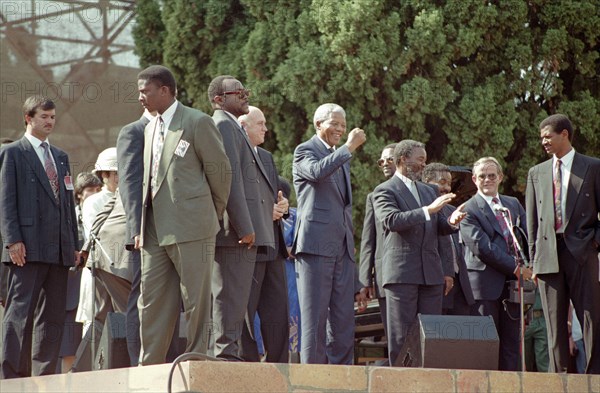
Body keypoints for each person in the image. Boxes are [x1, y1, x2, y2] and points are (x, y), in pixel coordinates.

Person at [137, 65, 231, 365]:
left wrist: (208, 216)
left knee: (196, 302)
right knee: (150, 302)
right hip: (153, 228)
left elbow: (221, 173)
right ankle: (148, 366)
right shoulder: (149, 127)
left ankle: (197, 362)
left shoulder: (197, 121)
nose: (140, 97)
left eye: (145, 91)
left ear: (164, 90)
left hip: (193, 227)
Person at [0, 96, 79, 378]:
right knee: (19, 315)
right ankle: (12, 377)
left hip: (58, 251)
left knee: (52, 317)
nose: (49, 122)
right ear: (28, 119)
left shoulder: (60, 156)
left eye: (52, 117)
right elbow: (5, 201)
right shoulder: (12, 153)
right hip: (26, 249)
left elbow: (68, 204)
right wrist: (12, 241)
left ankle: (45, 376)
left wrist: (74, 245)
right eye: (44, 116)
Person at [372, 140, 465, 367]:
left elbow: (439, 226)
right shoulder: (384, 190)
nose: (424, 164)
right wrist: (428, 210)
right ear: (404, 160)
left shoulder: (429, 190)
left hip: (431, 276)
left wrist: (451, 222)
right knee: (402, 337)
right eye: (420, 159)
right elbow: (391, 220)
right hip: (402, 275)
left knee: (430, 336)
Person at [292, 103, 368, 365]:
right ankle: (311, 380)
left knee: (343, 323)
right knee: (314, 322)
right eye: (334, 124)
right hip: (315, 247)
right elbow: (316, 172)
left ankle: (342, 379)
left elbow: (343, 208)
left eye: (343, 126)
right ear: (318, 125)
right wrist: (348, 147)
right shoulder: (305, 151)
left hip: (342, 251)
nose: (340, 129)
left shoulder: (341, 158)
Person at [526, 113, 600, 373]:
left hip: (582, 253)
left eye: (548, 137)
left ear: (564, 134)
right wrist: (534, 261)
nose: (543, 142)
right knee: (554, 325)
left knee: (591, 317)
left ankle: (595, 376)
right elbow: (532, 221)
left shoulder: (592, 167)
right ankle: (558, 381)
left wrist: (594, 243)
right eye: (541, 138)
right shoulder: (536, 172)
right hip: (547, 256)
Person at [208, 76, 275, 361]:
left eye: (245, 91)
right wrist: (245, 226)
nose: (245, 96)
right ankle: (225, 358)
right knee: (229, 299)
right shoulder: (223, 124)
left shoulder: (232, 126)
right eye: (238, 93)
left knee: (236, 301)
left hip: (243, 233)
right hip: (235, 233)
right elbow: (228, 179)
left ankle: (229, 355)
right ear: (219, 100)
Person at [459, 157, 531, 371]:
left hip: (513, 286)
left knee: (511, 345)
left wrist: (530, 264)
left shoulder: (512, 204)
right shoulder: (468, 209)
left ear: (500, 177)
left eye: (492, 175)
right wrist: (516, 268)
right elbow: (483, 248)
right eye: (482, 176)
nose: (487, 180)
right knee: (486, 346)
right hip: (484, 286)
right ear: (474, 179)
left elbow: (526, 236)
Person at [238, 106, 290, 362]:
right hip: (248, 247)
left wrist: (283, 207)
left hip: (273, 247)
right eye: (260, 124)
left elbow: (273, 196)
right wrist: (261, 214)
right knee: (245, 315)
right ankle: (248, 371)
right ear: (244, 126)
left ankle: (280, 369)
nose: (266, 129)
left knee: (278, 312)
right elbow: (232, 200)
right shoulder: (233, 155)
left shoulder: (267, 157)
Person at [116, 109, 153, 365]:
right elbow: (129, 183)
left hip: (173, 233)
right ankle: (136, 362)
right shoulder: (134, 131)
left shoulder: (176, 131)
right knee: (142, 295)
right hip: (145, 234)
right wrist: (137, 228)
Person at [56, 172, 101, 373]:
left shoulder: (105, 212)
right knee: (69, 347)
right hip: (71, 291)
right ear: (80, 194)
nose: (95, 194)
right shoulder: (69, 218)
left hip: (98, 287)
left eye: (98, 190)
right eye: (90, 190)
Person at [76, 148, 120, 337]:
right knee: (95, 321)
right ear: (104, 174)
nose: (120, 177)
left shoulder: (129, 197)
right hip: (98, 269)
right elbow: (98, 235)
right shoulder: (93, 202)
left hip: (124, 271)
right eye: (116, 173)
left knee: (122, 322)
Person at [422, 162, 475, 316]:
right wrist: (446, 271)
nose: (447, 188)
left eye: (449, 183)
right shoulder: (424, 211)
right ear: (427, 183)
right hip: (437, 283)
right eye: (442, 182)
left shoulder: (452, 210)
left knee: (461, 335)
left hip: (460, 283)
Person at [358, 143, 397, 345]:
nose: (384, 164)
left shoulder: (421, 192)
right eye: (381, 161)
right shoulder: (373, 197)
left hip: (419, 278)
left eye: (389, 159)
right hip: (385, 277)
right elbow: (368, 240)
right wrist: (364, 282)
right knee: (394, 337)